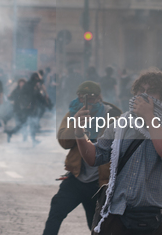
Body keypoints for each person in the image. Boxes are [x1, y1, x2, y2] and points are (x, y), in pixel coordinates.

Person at [74, 69, 162, 235]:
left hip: (154, 217)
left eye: (152, 91)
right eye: (141, 90)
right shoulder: (121, 124)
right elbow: (94, 156)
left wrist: (149, 117)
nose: (145, 95)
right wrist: (79, 132)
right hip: (119, 212)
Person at [43, 82, 122, 235]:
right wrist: (76, 125)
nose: (86, 102)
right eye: (81, 98)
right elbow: (63, 142)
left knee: (97, 226)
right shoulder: (73, 113)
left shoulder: (112, 116)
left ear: (99, 98)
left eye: (90, 99)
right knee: (56, 211)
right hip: (77, 177)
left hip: (99, 183)